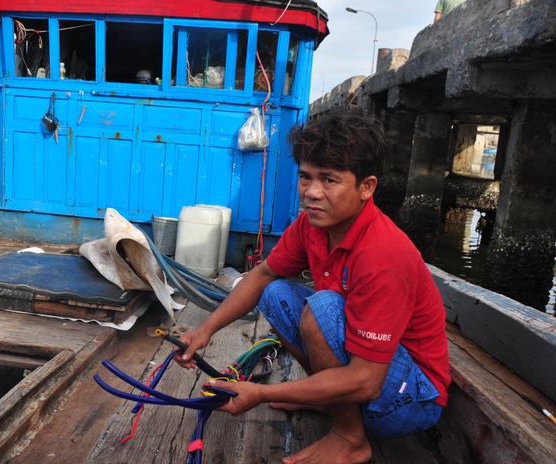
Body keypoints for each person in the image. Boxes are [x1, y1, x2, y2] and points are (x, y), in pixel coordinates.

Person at [176, 113, 451, 464]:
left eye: (330, 180)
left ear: (366, 187)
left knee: (322, 308)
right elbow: (261, 276)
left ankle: (350, 437)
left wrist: (260, 393)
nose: (312, 193)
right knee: (276, 294)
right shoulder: (312, 225)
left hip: (413, 398)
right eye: (306, 178)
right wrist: (204, 330)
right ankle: (325, 400)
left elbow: (367, 381)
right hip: (368, 371)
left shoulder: (383, 255)